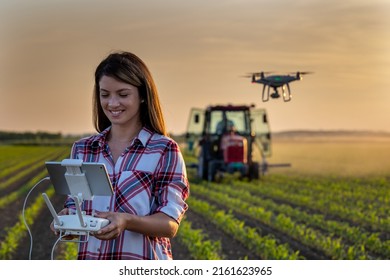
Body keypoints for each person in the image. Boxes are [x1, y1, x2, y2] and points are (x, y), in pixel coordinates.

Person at [51, 51, 190, 260]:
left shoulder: (164, 150)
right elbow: (75, 207)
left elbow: (169, 223)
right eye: (105, 94)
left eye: (123, 94)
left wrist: (127, 221)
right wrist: (67, 223)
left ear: (142, 95)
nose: (113, 103)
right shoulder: (83, 149)